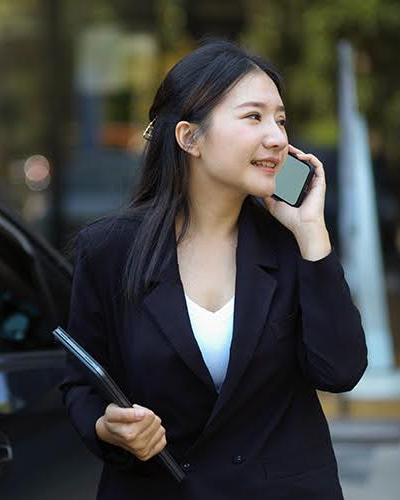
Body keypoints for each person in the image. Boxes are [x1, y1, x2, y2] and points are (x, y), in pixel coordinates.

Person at [59, 39, 368, 500]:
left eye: (280, 120)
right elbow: (81, 382)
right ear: (190, 138)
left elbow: (340, 371)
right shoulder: (109, 250)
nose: (278, 137)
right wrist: (109, 427)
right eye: (253, 117)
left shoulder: (291, 241)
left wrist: (311, 234)